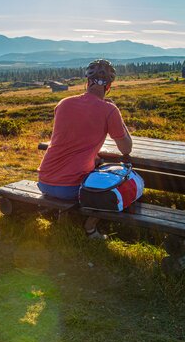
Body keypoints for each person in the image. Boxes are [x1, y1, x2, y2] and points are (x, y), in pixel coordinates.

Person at [37, 59, 132, 239]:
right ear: (109, 87)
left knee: (93, 166)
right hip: (70, 188)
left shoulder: (63, 103)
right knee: (118, 184)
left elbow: (68, 139)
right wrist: (116, 112)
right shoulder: (109, 110)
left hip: (44, 181)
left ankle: (65, 217)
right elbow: (126, 149)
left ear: (86, 83)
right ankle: (90, 227)